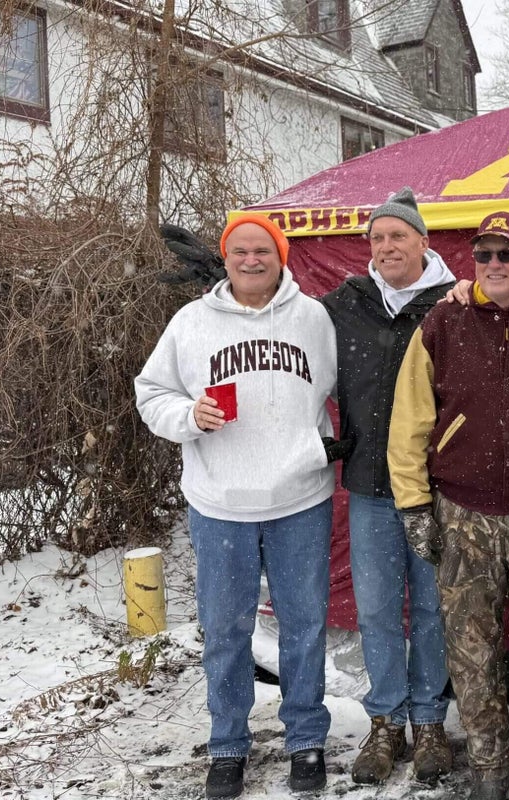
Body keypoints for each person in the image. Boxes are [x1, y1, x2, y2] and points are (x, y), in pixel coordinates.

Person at [135, 215, 338, 799]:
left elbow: (337, 386)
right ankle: (227, 744)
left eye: (263, 250)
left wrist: (317, 446)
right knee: (225, 630)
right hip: (220, 501)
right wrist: (187, 417)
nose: (252, 260)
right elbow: (152, 393)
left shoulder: (313, 318)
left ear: (281, 256)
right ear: (225, 259)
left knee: (304, 625)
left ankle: (306, 738)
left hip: (300, 497)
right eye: (240, 251)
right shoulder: (191, 322)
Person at [387, 211, 509, 800]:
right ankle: (490, 776)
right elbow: (410, 422)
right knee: (472, 652)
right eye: (483, 255)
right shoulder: (442, 323)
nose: (493, 264)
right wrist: (414, 508)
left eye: (506, 253)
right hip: (461, 514)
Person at [319, 187, 455, 785]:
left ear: (424, 241)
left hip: (439, 487)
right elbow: (281, 325)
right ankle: (387, 722)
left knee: (432, 607)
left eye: (397, 235)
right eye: (376, 237)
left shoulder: (453, 302)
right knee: (377, 609)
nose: (385, 246)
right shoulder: (346, 303)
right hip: (372, 486)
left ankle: (429, 720)